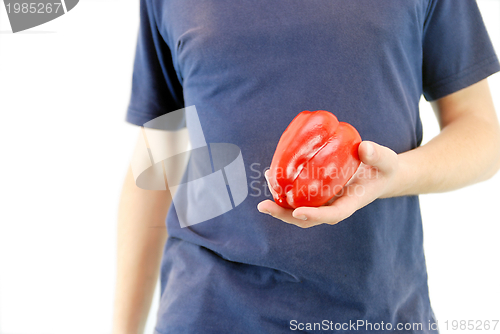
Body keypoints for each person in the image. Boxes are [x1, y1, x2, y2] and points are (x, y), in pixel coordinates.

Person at [112, 0, 500, 333]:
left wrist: (397, 175)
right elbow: (154, 162)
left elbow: (481, 130)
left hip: (377, 313)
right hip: (205, 312)